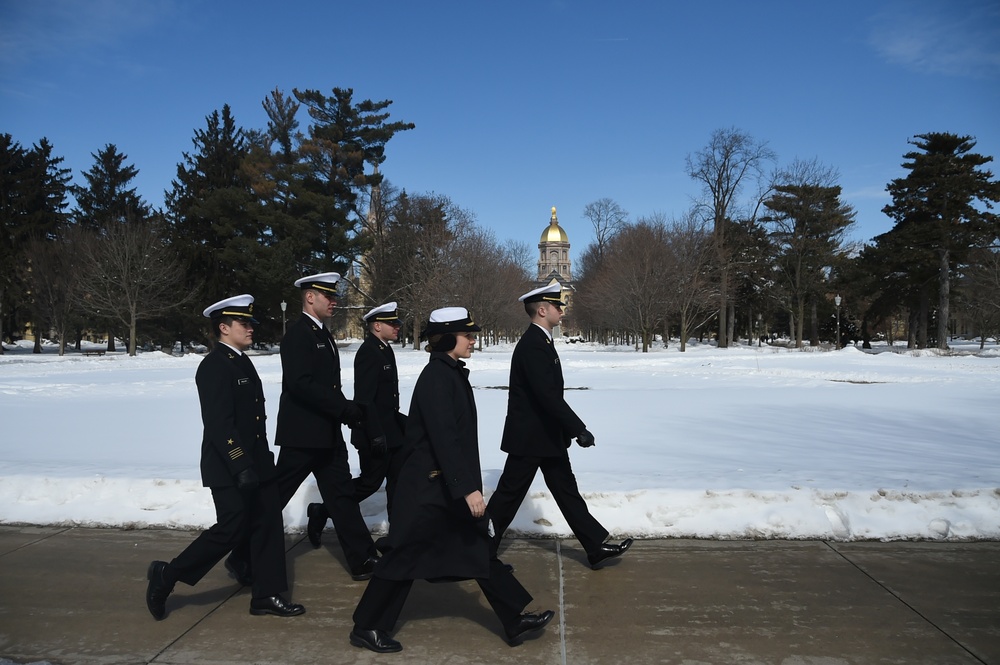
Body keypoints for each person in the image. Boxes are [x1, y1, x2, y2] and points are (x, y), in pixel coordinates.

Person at [349, 307, 554, 654]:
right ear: (446, 338)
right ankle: (366, 626)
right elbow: (445, 439)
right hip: (428, 488)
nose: (473, 340)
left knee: (475, 547)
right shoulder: (437, 379)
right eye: (467, 335)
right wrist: (467, 489)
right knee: (404, 556)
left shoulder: (449, 373)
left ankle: (514, 616)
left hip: (442, 484)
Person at [145, 295, 305, 620]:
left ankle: (267, 595)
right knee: (231, 529)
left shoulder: (241, 360)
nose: (250, 328)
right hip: (229, 465)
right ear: (223, 327)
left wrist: (258, 462)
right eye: (243, 323)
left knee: (268, 525)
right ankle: (168, 575)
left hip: (256, 462)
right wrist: (240, 464)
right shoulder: (214, 366)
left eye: (250, 323)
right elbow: (219, 424)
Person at [229, 272, 379, 581]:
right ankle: (241, 556)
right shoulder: (298, 335)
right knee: (274, 499)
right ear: (310, 297)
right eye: (328, 296)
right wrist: (344, 409)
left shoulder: (322, 334)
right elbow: (301, 385)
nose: (334, 300)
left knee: (342, 499)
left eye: (334, 295)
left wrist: (343, 410)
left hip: (326, 433)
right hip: (303, 436)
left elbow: (324, 385)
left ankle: (362, 558)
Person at [487, 283, 633, 569]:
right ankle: (476, 550)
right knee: (507, 497)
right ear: (542, 310)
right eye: (557, 306)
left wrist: (568, 430)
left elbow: (548, 396)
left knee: (567, 491)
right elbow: (546, 397)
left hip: (545, 436)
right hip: (531, 438)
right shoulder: (532, 344)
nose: (562, 310)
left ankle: (595, 546)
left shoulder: (541, 341)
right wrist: (577, 428)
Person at [306, 302, 408, 542]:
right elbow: (364, 399)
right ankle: (323, 510)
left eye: (397, 323)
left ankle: (399, 536)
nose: (397, 327)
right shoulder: (368, 353)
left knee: (399, 483)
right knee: (369, 483)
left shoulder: (384, 348)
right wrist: (374, 434)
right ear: (376, 325)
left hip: (392, 432)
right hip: (373, 433)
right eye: (392, 323)